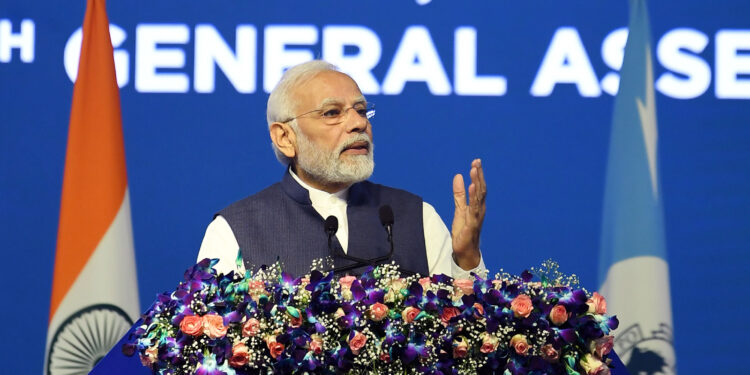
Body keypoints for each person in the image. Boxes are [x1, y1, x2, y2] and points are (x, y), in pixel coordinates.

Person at [198, 60, 488, 279]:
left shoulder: (415, 216)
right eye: (332, 113)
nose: (358, 123)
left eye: (361, 110)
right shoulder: (235, 230)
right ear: (285, 137)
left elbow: (461, 343)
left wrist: (466, 260)